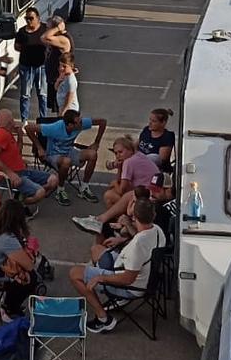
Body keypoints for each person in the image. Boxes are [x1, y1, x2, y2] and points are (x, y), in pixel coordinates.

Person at [69, 199, 165, 333]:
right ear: (153, 216)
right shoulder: (157, 230)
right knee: (96, 249)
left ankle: (103, 319)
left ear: (134, 217)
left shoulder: (137, 246)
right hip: (143, 275)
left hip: (130, 286)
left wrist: (100, 278)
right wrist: (122, 238)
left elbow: (127, 279)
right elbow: (140, 236)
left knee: (75, 273)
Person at [25, 110, 105, 206]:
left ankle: (84, 188)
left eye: (80, 121)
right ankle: (60, 190)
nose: (81, 124)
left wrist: (96, 142)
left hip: (69, 151)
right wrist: (39, 148)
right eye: (78, 123)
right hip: (53, 154)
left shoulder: (81, 123)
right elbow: (28, 128)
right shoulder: (54, 128)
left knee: (92, 154)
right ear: (69, 125)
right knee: (66, 161)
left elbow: (103, 122)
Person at [73, 172, 176, 240]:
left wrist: (126, 226)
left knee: (110, 228)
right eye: (152, 189)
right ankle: (99, 221)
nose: (152, 193)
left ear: (168, 190)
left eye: (156, 190)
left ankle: (101, 258)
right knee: (106, 225)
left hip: (145, 242)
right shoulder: (160, 201)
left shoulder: (161, 209)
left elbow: (145, 237)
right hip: (139, 231)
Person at [0, 109, 58, 209]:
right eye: (12, 119)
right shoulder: (1, 134)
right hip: (11, 176)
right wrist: (10, 174)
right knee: (40, 193)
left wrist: (20, 135)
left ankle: (25, 194)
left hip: (22, 171)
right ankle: (20, 204)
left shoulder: (8, 133)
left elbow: (18, 151)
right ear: (10, 122)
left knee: (54, 179)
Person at [102, 135, 159, 207]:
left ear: (130, 150)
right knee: (113, 191)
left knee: (109, 195)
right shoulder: (138, 155)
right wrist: (119, 168)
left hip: (146, 195)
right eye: (116, 153)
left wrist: (115, 183)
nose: (118, 156)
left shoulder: (128, 162)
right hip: (151, 192)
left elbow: (122, 190)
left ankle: (122, 216)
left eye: (120, 152)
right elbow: (122, 183)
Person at [14, 8, 47, 123]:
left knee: (42, 94)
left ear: (38, 18)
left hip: (41, 67)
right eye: (26, 18)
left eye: (31, 18)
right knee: (25, 95)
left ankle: (43, 119)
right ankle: (24, 120)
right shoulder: (22, 32)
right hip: (26, 67)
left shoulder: (45, 29)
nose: (28, 21)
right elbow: (16, 46)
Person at [41, 16, 73, 113]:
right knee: (56, 108)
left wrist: (58, 28)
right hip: (54, 79)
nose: (46, 30)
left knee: (60, 108)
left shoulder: (64, 39)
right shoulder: (57, 38)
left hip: (59, 79)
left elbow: (44, 37)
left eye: (48, 28)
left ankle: (61, 125)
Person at [54, 52, 79, 116]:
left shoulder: (71, 81)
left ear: (71, 66)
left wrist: (62, 113)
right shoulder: (64, 75)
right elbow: (56, 88)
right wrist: (59, 79)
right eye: (60, 65)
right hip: (62, 108)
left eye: (64, 66)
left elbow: (68, 101)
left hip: (69, 112)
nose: (61, 68)